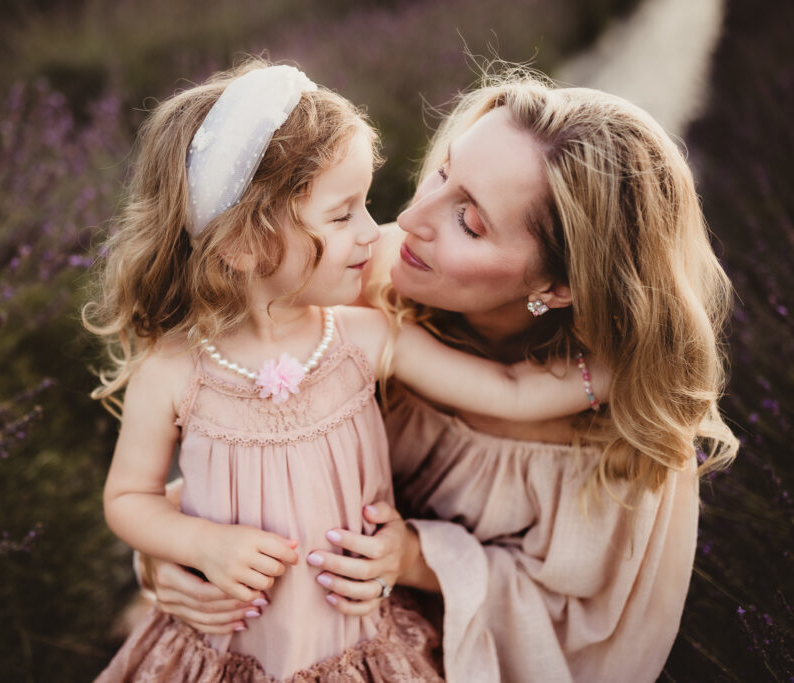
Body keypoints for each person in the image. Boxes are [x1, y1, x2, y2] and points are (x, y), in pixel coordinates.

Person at [140, 67, 739, 682]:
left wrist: (419, 558)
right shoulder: (346, 286)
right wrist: (174, 558)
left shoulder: (620, 426)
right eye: (445, 171)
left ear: (557, 285)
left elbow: (584, 629)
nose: (412, 215)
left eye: (469, 222)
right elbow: (235, 448)